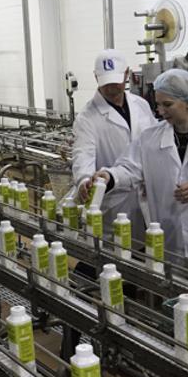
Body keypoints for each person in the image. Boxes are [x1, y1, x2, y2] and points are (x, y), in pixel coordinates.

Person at [85, 68, 188, 266]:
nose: (160, 111)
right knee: (177, 283)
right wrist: (109, 177)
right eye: (158, 105)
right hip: (173, 237)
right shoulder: (150, 138)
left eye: (167, 104)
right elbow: (129, 168)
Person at [72, 49, 157, 237]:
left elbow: (154, 145)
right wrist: (84, 180)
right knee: (118, 250)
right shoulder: (87, 118)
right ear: (96, 77)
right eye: (106, 82)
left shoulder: (141, 105)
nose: (111, 87)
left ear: (127, 74)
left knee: (151, 247)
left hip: (146, 197)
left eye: (116, 81)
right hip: (115, 203)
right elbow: (83, 154)